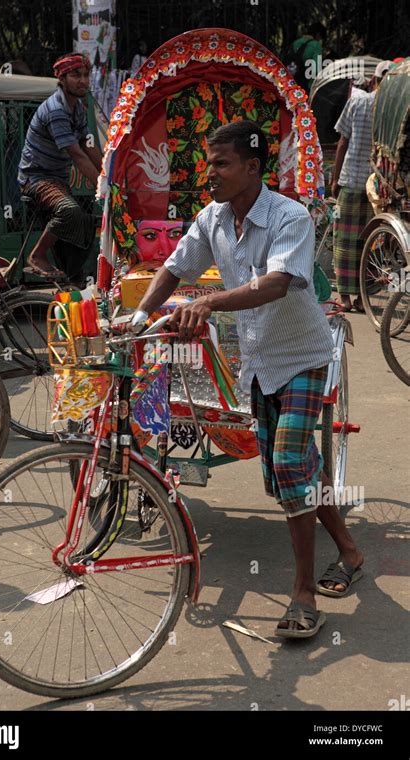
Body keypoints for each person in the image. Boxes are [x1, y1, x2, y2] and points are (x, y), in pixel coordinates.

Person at [131, 121, 364, 638]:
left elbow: (278, 283)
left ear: (253, 168)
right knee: (299, 470)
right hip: (257, 362)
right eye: (208, 163)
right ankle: (349, 550)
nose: (208, 174)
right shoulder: (211, 218)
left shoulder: (290, 216)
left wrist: (210, 301)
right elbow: (173, 269)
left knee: (286, 465)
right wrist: (136, 319)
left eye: (221, 164)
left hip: (302, 355)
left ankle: (302, 595)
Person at [18, 53, 103, 280]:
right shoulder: (56, 109)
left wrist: (108, 172)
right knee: (69, 211)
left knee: (85, 225)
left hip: (58, 179)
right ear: (62, 79)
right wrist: (103, 186)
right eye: (76, 75)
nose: (83, 81)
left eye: (86, 75)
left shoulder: (78, 108)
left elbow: (88, 144)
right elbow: (77, 154)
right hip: (36, 179)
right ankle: (36, 255)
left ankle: (71, 276)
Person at [332, 60, 392, 312]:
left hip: (352, 181)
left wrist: (334, 179)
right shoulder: (392, 109)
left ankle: (345, 299)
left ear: (373, 80)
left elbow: (342, 143)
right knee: (370, 243)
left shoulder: (357, 102)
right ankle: (362, 298)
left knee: (345, 242)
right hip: (377, 187)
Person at [288, 23, 326, 92]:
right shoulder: (316, 45)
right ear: (318, 34)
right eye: (320, 38)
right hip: (306, 86)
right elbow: (316, 69)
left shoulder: (296, 42)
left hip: (292, 82)